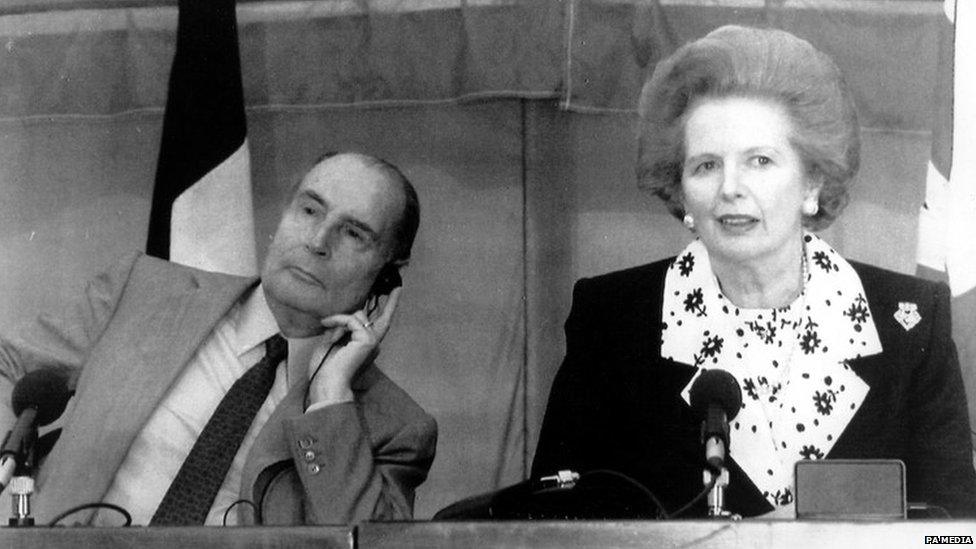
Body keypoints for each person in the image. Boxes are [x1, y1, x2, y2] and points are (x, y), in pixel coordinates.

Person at [532, 25, 976, 518]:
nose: (730, 188)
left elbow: (956, 533)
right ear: (681, 193)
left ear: (812, 182)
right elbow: (552, 524)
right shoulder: (614, 319)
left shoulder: (907, 324)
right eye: (705, 166)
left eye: (760, 161)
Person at [0, 152, 437, 526]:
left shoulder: (394, 427)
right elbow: (7, 368)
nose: (318, 241)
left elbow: (371, 543)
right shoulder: (143, 291)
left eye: (354, 233)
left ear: (386, 274)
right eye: (309, 210)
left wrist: (329, 399)